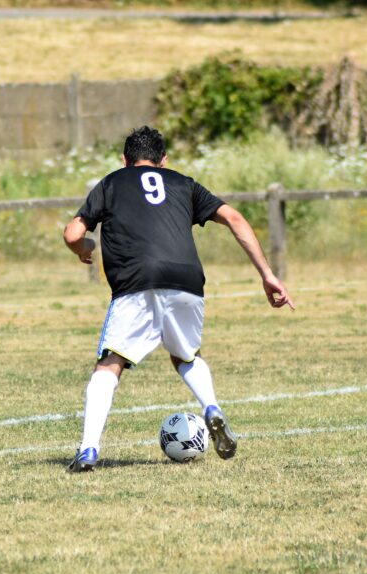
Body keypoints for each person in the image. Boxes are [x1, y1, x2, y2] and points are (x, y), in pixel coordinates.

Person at [62, 126, 294, 472]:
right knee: (185, 355)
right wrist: (267, 274)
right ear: (164, 161)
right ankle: (211, 407)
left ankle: (88, 449)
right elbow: (234, 217)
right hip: (187, 279)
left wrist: (86, 248)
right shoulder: (183, 183)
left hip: (136, 280)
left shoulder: (112, 182)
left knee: (110, 363)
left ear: (125, 160)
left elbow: (73, 233)